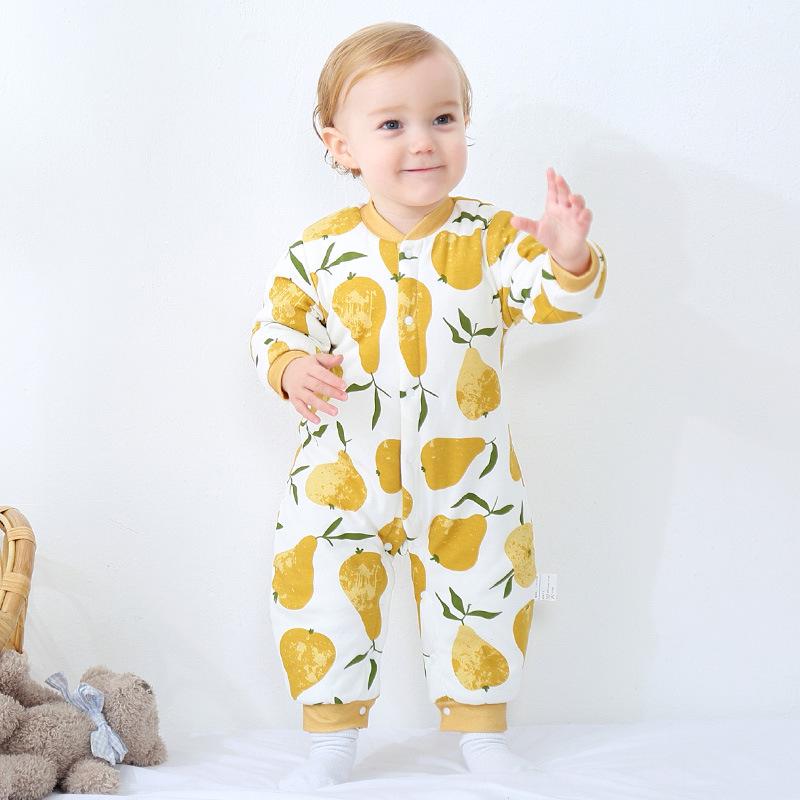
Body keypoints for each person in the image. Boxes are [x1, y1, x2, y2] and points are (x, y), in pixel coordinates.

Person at [249, 21, 608, 791]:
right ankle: (331, 741)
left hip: (467, 474)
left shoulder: (493, 238)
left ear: (465, 123)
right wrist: (289, 367)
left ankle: (483, 737)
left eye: (443, 118)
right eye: (391, 124)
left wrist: (567, 255)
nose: (423, 141)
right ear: (341, 145)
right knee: (320, 595)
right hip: (340, 474)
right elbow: (276, 325)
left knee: (485, 592)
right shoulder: (318, 249)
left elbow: (547, 296)